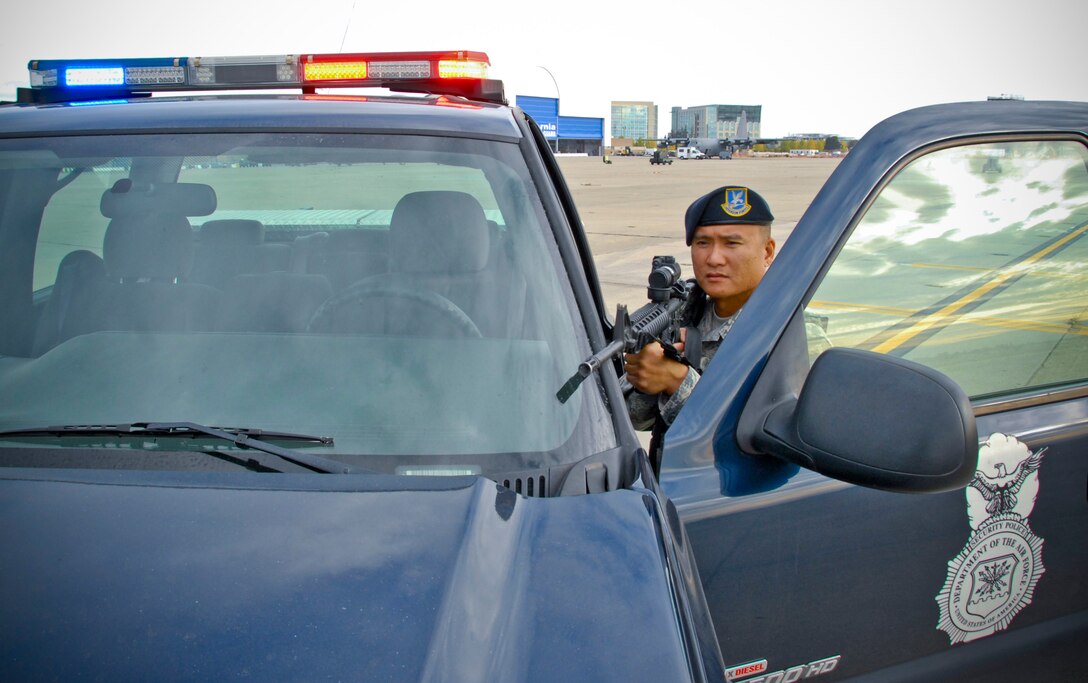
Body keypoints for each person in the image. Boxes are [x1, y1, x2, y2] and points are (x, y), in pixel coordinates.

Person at [626, 185, 776, 474]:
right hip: (668, 488)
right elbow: (636, 420)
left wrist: (676, 380)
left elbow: (760, 445)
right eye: (702, 243)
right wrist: (644, 374)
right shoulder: (685, 312)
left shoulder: (786, 332)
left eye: (732, 244)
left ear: (767, 252)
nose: (714, 258)